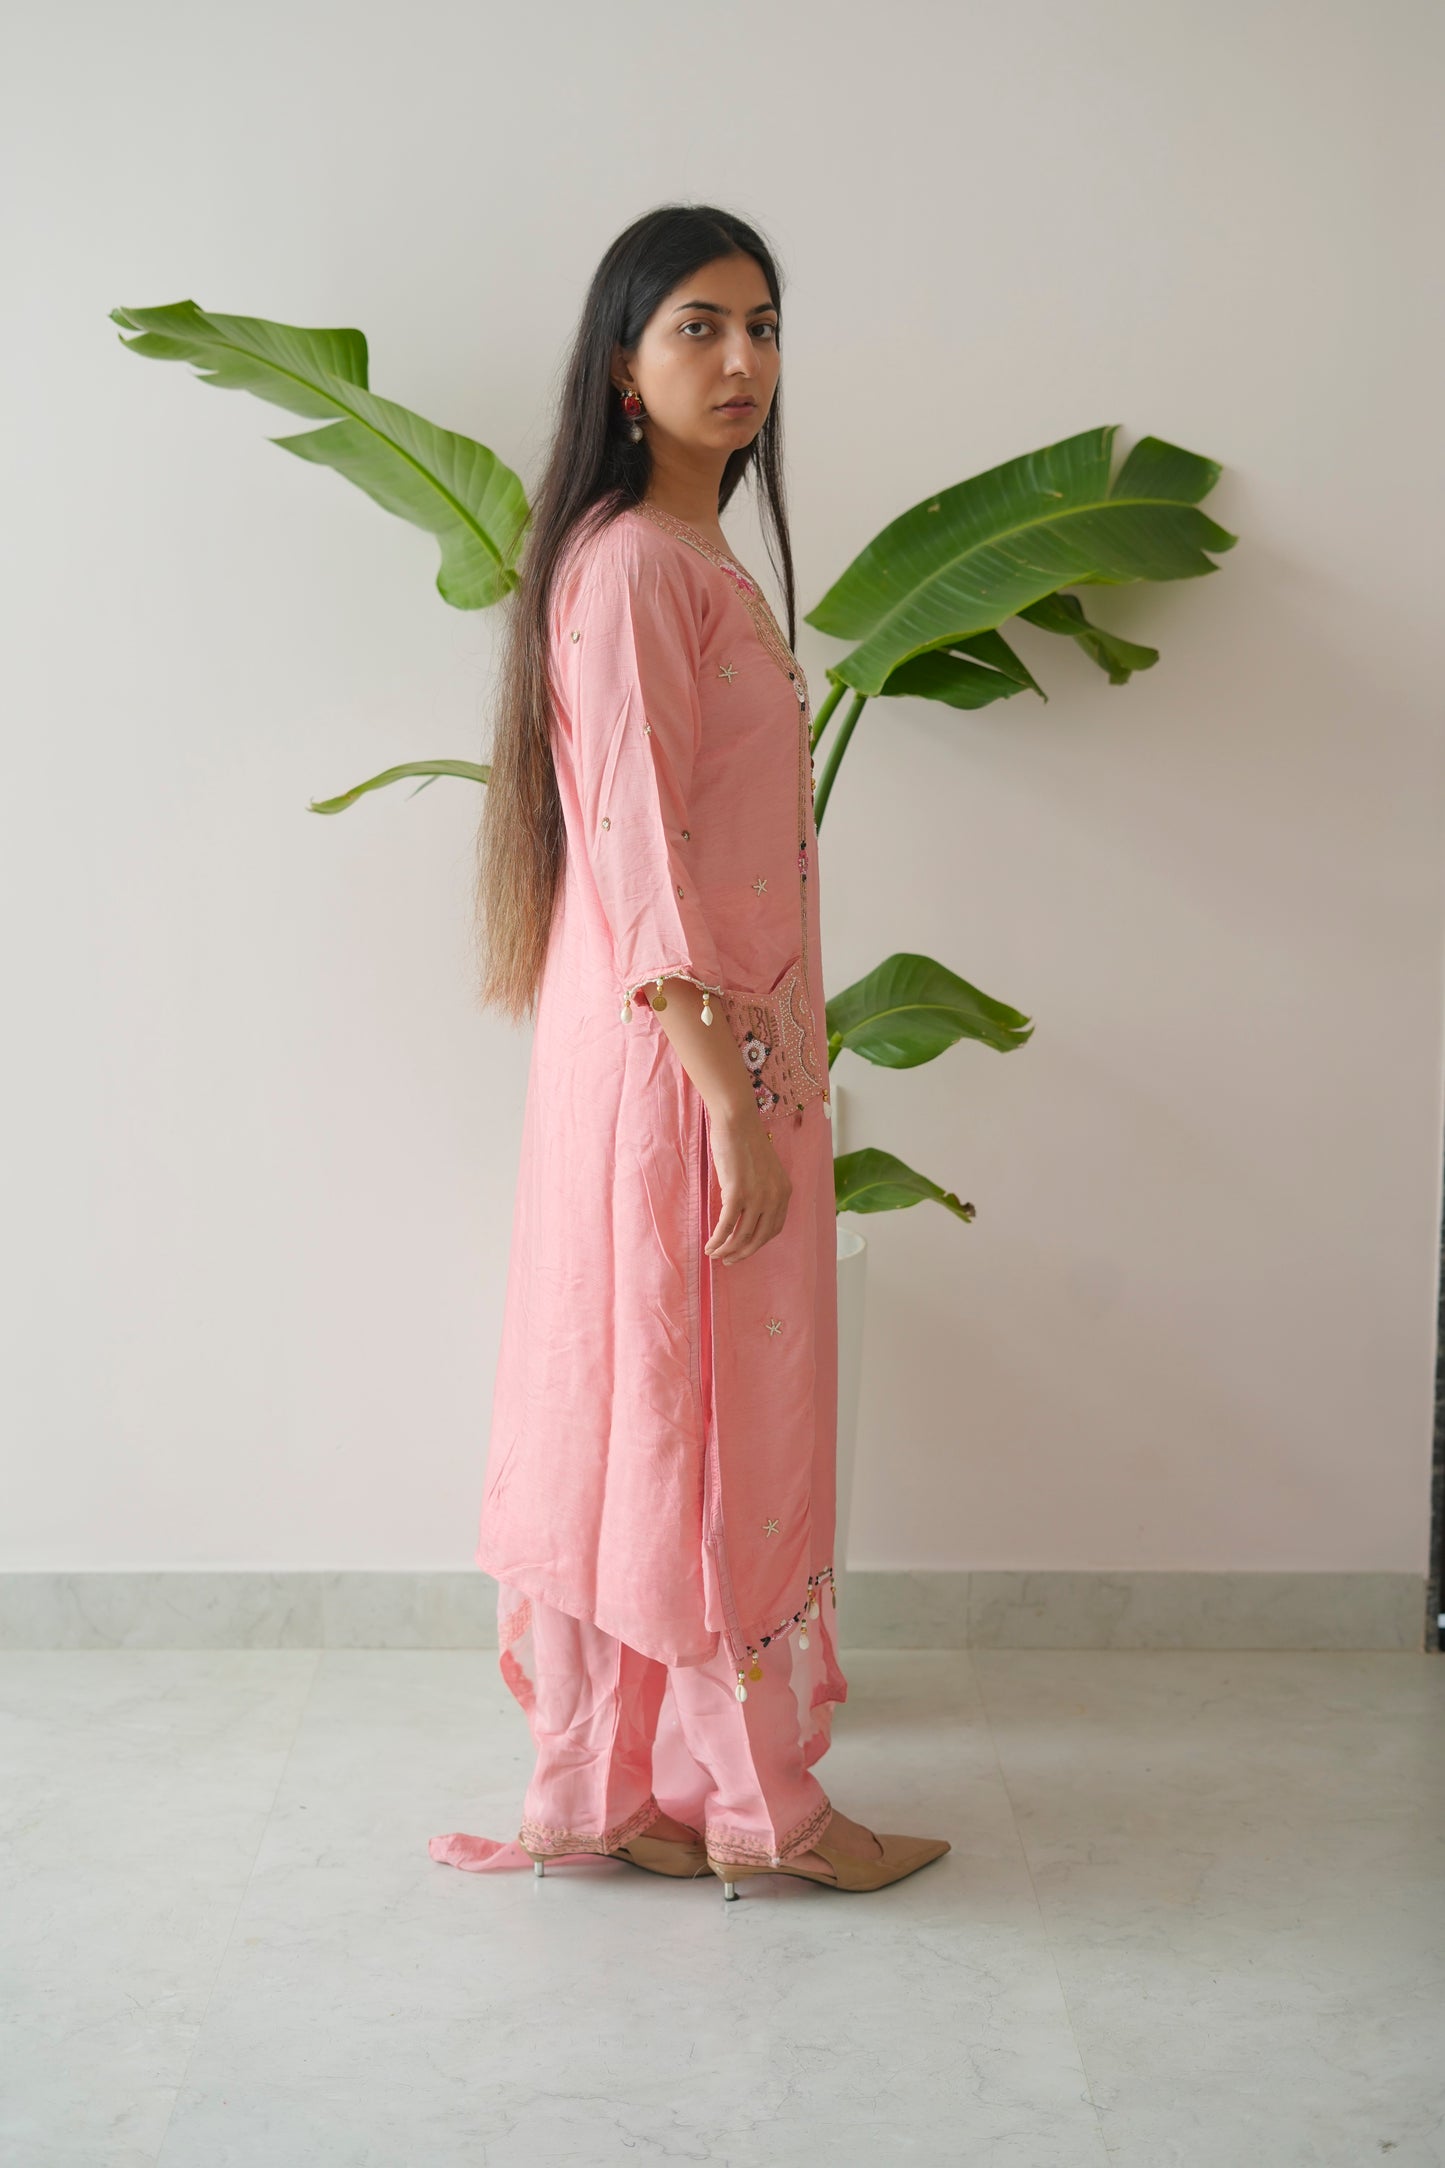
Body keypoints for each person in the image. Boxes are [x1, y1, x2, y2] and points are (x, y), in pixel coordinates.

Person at [428, 205, 949, 1899]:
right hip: (681, 1071)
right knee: (702, 1414)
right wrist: (727, 1098)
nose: (743, 364)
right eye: (700, 330)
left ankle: (624, 1786)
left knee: (662, 1408)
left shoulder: (685, 558)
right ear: (624, 369)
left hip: (697, 1059)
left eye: (765, 329)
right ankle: (761, 1813)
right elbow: (640, 848)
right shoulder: (635, 567)